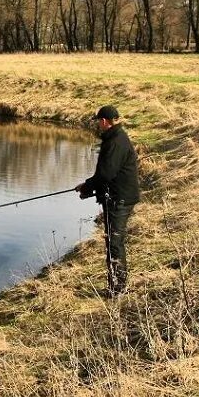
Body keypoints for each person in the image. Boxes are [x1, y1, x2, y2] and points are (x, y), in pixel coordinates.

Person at [75, 105, 140, 296]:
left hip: (119, 199)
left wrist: (87, 186)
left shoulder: (115, 142)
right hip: (120, 196)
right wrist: (89, 187)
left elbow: (106, 174)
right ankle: (117, 286)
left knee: (114, 243)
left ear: (104, 121)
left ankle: (118, 289)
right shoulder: (116, 138)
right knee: (114, 241)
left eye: (98, 121)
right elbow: (106, 174)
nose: (98, 125)